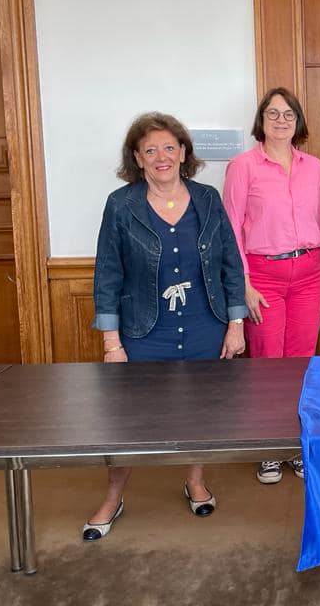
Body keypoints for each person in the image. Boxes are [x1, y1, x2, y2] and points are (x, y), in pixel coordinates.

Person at [85, 112, 247, 541]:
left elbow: (231, 264)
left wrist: (235, 324)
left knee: (199, 412)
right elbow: (107, 274)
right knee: (128, 421)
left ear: (183, 152)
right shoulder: (121, 205)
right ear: (137, 158)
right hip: (143, 330)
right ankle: (113, 497)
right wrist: (112, 342)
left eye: (169, 147)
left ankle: (195, 481)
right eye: (151, 150)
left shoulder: (208, 199)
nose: (162, 156)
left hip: (204, 324)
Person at [223, 87, 320, 485]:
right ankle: (269, 449)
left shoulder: (314, 168)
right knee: (268, 363)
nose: (281, 120)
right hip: (263, 277)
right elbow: (231, 229)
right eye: (272, 113)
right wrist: (244, 284)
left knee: (302, 362)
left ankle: (295, 446)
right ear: (261, 120)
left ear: (298, 121)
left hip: (310, 274)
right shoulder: (243, 166)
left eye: (288, 114)